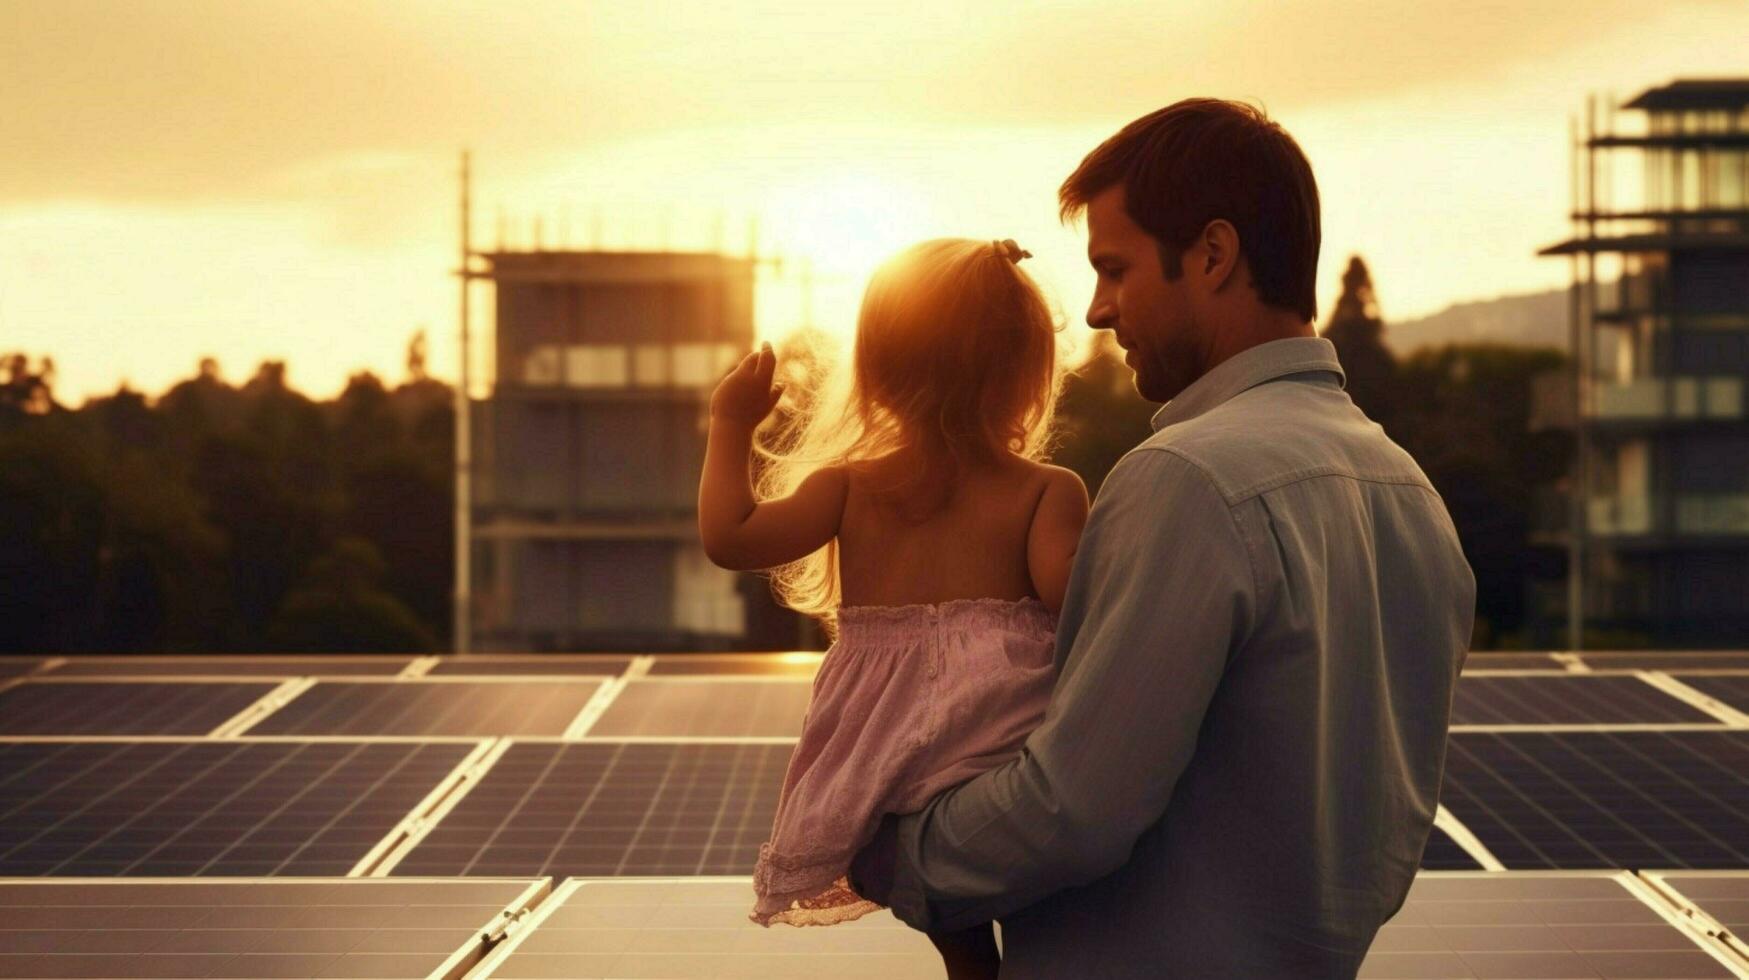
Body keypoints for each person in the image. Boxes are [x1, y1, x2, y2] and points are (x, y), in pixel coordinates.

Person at [848, 99, 1477, 977]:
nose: (1099, 312)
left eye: (1115, 269)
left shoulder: (1186, 479)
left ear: (1212, 255)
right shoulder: (1407, 493)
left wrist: (886, 847)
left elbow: (1069, 812)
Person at [697, 237, 1090, 980]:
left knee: (947, 907)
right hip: (1004, 744)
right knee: (1040, 898)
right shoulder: (1046, 490)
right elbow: (1073, 600)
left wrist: (728, 426)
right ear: (1026, 374)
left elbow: (731, 537)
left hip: (887, 757)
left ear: (875, 371)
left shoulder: (847, 488)